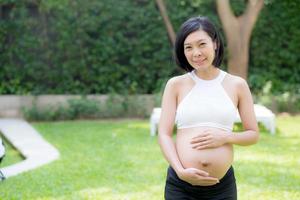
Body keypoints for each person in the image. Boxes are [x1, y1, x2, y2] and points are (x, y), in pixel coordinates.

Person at [158, 16, 259, 200]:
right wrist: (180, 171)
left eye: (201, 44)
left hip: (221, 189)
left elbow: (253, 134)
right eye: (188, 47)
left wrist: (226, 137)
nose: (196, 53)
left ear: (215, 44)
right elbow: (164, 134)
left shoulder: (237, 85)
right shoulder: (175, 85)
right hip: (180, 186)